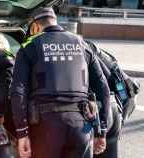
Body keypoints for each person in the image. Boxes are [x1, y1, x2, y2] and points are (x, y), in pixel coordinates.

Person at [10, 7, 111, 158]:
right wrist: (101, 131)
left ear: (35, 26)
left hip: (46, 127)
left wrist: (22, 132)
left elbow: (18, 92)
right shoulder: (82, 44)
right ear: (55, 20)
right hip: (81, 125)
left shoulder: (29, 47)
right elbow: (103, 88)